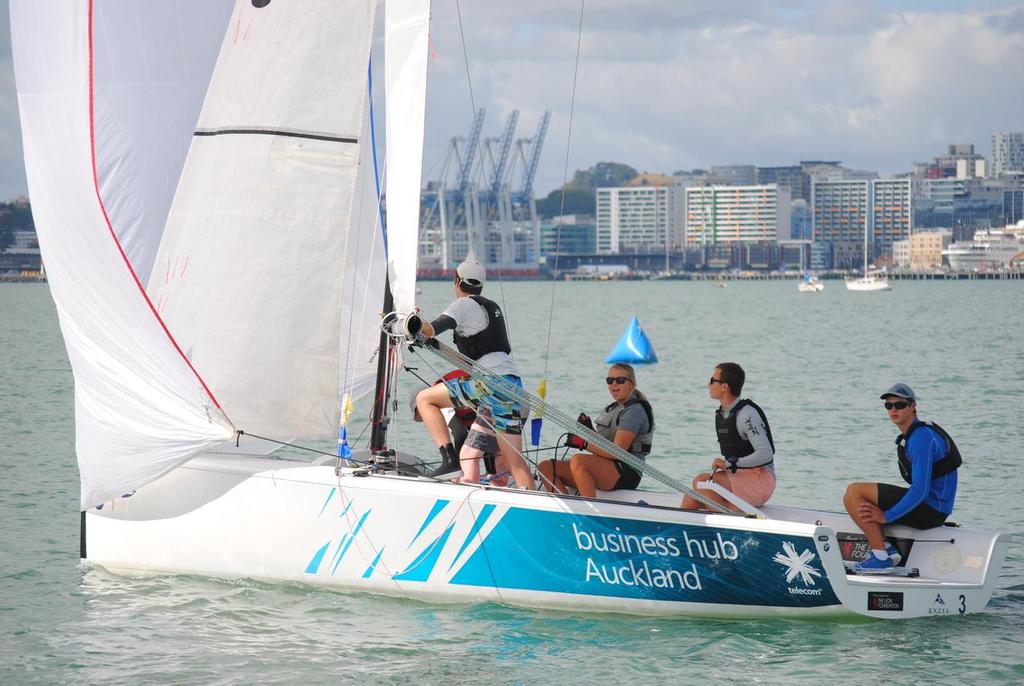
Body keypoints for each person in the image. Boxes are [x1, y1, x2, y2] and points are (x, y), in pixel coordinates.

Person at [414, 258, 536, 489]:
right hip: (512, 386)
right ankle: (537, 506)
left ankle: (449, 461)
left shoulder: (463, 304)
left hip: (488, 384)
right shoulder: (491, 307)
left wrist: (410, 322)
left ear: (457, 280)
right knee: (515, 463)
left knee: (424, 398)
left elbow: (430, 329)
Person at [843, 383, 960, 574]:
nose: (893, 410)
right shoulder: (915, 434)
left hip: (931, 511)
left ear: (913, 406)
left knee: (855, 491)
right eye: (889, 406)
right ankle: (887, 549)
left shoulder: (921, 437)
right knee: (852, 495)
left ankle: (881, 558)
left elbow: (920, 491)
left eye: (899, 405)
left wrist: (886, 516)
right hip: (933, 509)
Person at [537, 363, 653, 498]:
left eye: (620, 380)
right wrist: (589, 430)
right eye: (610, 381)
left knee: (578, 460)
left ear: (632, 384)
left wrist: (583, 444)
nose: (614, 384)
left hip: (626, 471)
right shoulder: (613, 408)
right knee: (545, 468)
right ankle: (568, 508)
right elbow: (605, 444)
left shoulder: (634, 411)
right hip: (607, 465)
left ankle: (588, 510)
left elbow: (617, 452)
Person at [680, 362, 776, 511]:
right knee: (691, 497)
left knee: (701, 481)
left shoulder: (747, 415)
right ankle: (682, 533)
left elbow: (766, 454)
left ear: (724, 386)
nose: (708, 384)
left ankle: (726, 527)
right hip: (740, 477)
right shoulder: (724, 413)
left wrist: (730, 464)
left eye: (712, 381)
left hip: (761, 481)